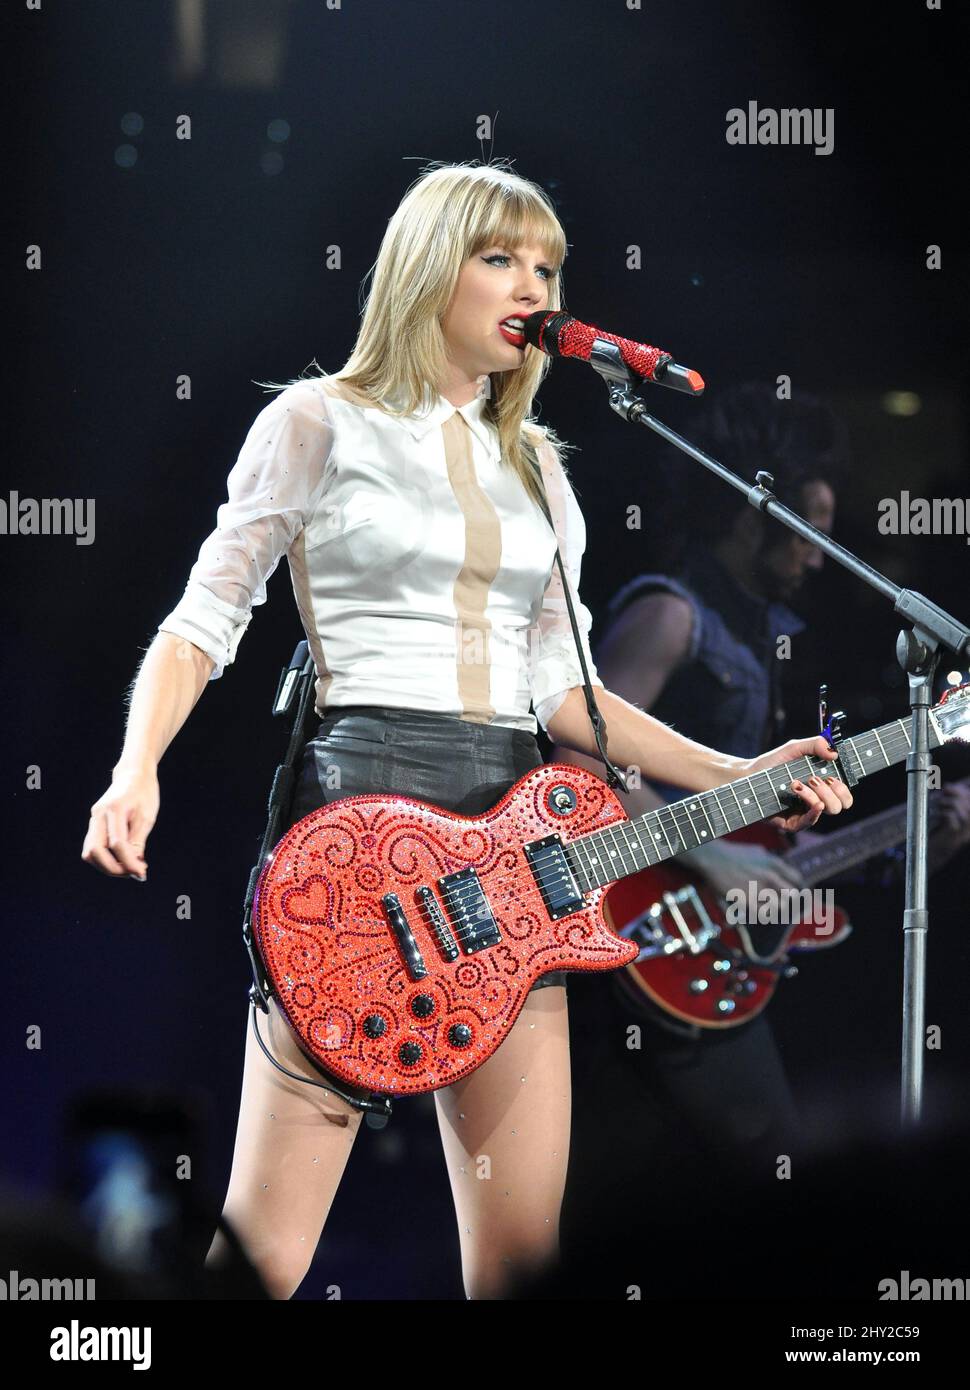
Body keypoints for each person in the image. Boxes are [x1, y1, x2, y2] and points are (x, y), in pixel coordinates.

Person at [80, 164, 853, 1301]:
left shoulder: (540, 466)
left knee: (519, 1264)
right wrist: (134, 766)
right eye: (502, 258)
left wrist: (741, 769)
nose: (531, 284)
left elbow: (565, 695)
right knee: (262, 1259)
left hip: (515, 850)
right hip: (360, 832)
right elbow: (204, 620)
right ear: (429, 267)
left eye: (547, 266)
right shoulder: (314, 422)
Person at [552, 382, 970, 1201]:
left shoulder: (768, 639)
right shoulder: (672, 615)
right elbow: (581, 760)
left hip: (714, 945)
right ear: (753, 515)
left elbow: (770, 846)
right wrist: (710, 862)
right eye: (808, 530)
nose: (820, 554)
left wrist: (911, 834)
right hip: (637, 928)